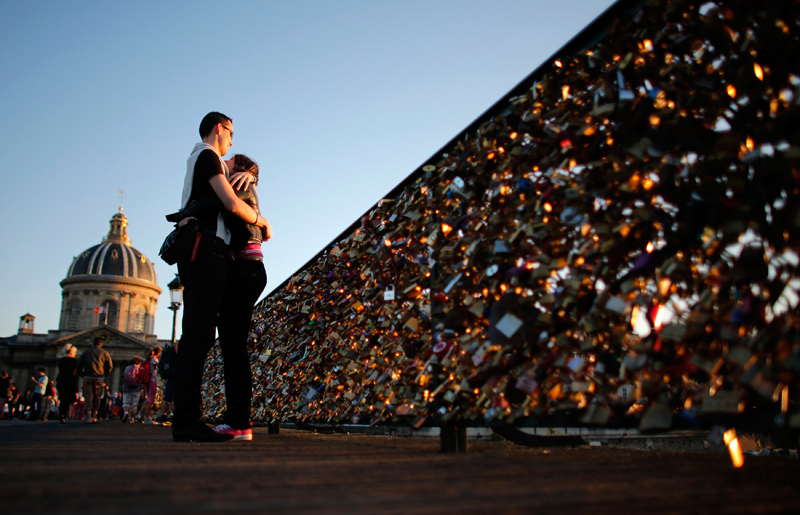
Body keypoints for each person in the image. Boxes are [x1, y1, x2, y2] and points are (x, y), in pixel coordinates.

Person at [171, 112, 271, 443]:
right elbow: (230, 203)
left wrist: (250, 173)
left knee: (199, 334)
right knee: (199, 335)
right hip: (207, 251)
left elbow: (235, 177)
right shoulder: (207, 155)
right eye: (231, 134)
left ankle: (191, 418)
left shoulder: (201, 159)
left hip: (202, 252)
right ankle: (188, 420)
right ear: (219, 129)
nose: (232, 142)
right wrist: (262, 221)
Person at [212, 154, 268, 441]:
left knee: (234, 349)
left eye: (229, 159)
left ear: (239, 168)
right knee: (235, 348)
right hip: (251, 269)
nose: (224, 159)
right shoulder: (245, 182)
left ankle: (238, 421)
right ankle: (238, 419)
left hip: (245, 269)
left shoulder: (237, 183)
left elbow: (227, 206)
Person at [76, 336, 113, 424]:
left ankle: (88, 417)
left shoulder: (86, 352)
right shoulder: (104, 353)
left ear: (93, 343)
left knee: (88, 397)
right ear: (101, 344)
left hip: (87, 377)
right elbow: (110, 366)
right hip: (99, 378)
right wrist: (105, 375)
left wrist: (82, 374)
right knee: (97, 397)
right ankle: (95, 416)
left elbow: (78, 365)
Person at [56, 344, 80, 423]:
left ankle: (61, 414)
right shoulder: (75, 361)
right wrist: (76, 388)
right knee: (67, 400)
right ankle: (64, 414)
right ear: (71, 352)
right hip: (70, 382)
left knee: (62, 399)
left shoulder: (61, 361)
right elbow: (75, 375)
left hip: (61, 382)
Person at [139, 347, 161, 424]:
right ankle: (147, 417)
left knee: (148, 398)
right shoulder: (154, 360)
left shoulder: (147, 359)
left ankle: (140, 414)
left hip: (146, 380)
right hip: (152, 380)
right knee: (151, 399)